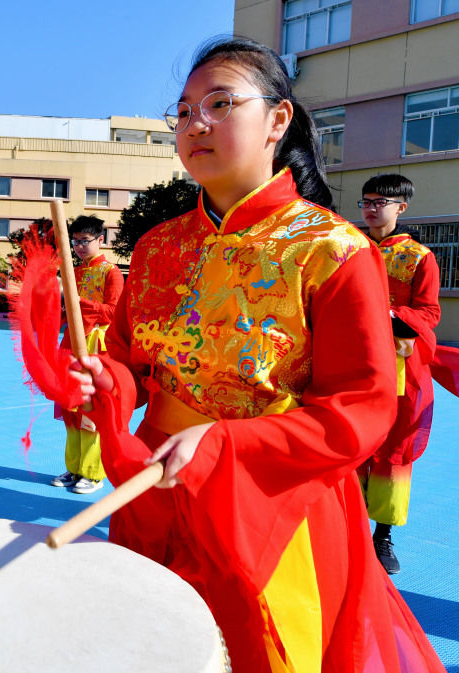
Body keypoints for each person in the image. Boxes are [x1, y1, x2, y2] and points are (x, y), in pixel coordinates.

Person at [67, 37, 444, 671]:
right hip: (153, 490)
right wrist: (105, 381)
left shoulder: (330, 249)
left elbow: (361, 408)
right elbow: (134, 362)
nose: (196, 124)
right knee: (151, 645)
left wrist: (223, 445)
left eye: (219, 103)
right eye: (184, 112)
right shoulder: (158, 246)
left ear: (277, 120)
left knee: (258, 653)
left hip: (272, 502)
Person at [356, 174, 439, 575]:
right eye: (366, 201)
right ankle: (346, 526)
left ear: (401, 208)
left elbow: (429, 313)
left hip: (401, 368)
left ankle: (383, 534)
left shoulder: (419, 257)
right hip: (348, 364)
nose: (371, 208)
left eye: (380, 202)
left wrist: (388, 316)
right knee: (345, 440)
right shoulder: (345, 248)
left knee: (394, 452)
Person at [50, 215, 122, 494]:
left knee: (92, 410)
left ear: (100, 240)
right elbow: (64, 313)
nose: (79, 246)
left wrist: (79, 303)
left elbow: (113, 313)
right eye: (75, 241)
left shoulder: (111, 272)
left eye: (85, 241)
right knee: (71, 408)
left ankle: (93, 473)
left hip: (96, 347)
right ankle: (74, 467)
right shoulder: (74, 273)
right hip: (70, 345)